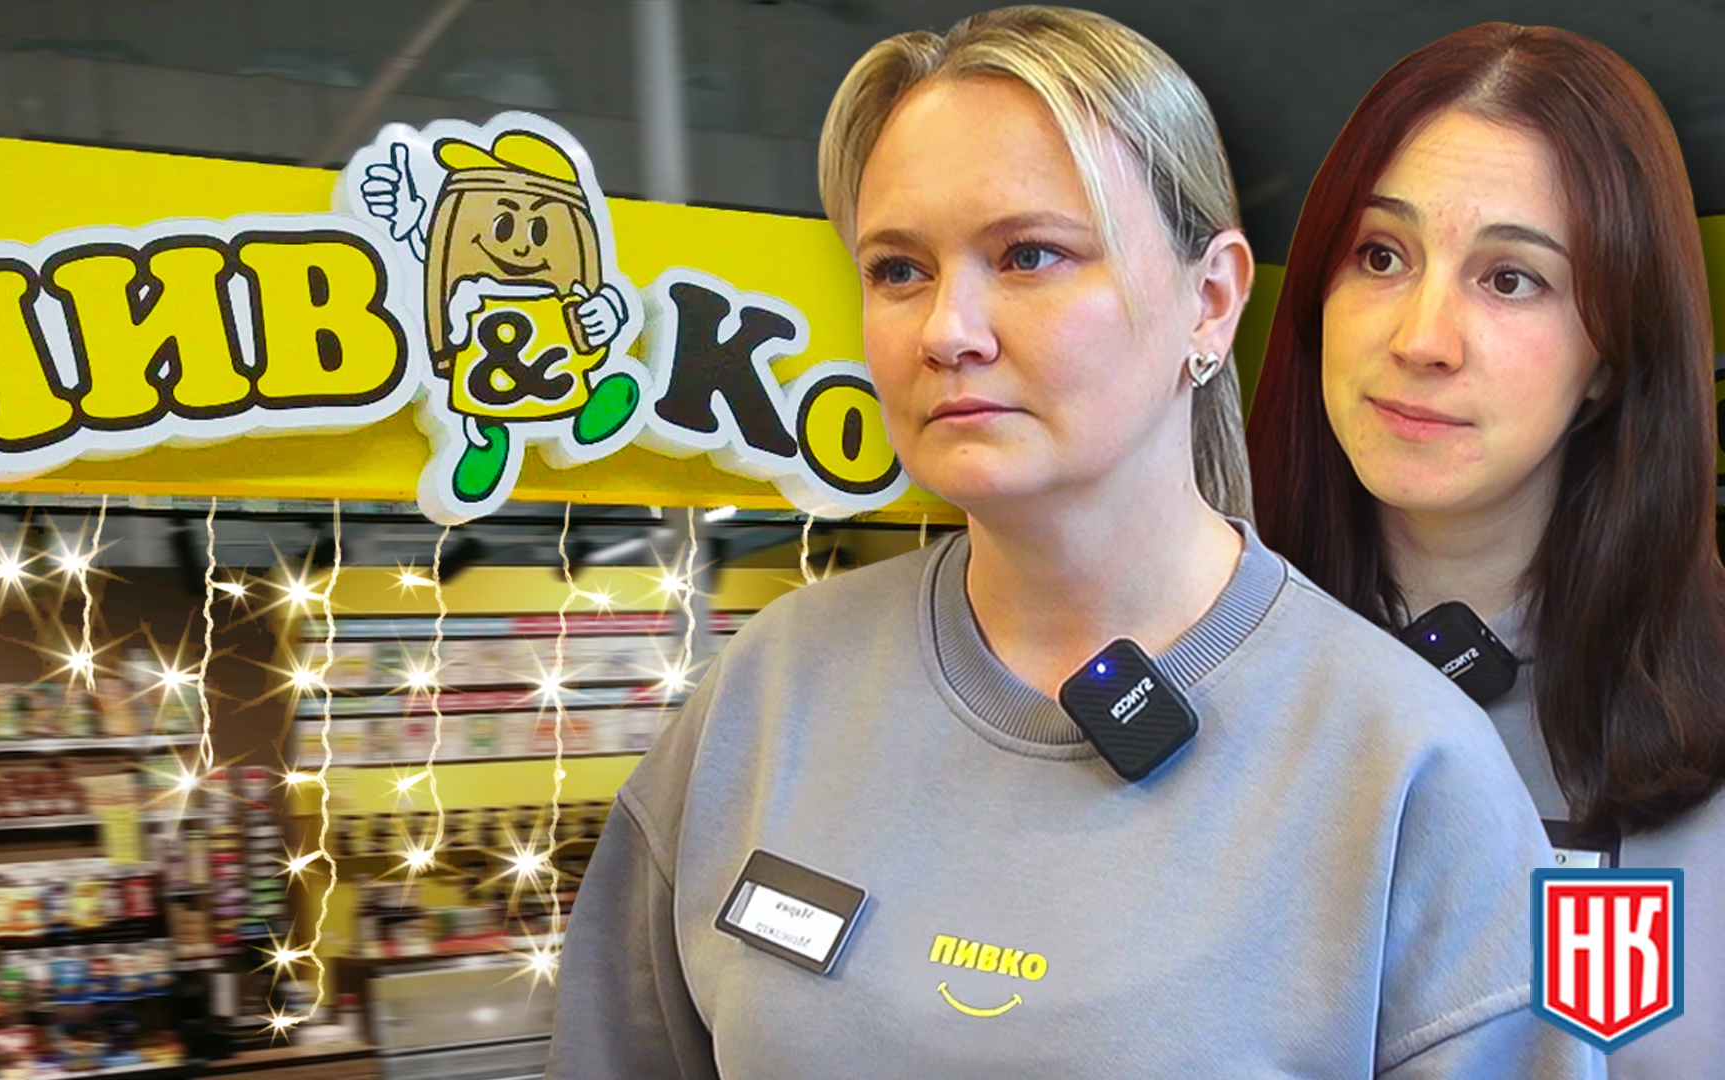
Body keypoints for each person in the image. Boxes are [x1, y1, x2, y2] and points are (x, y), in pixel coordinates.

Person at [549, 8, 1598, 1077]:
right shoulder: (769, 694)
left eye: (1029, 255)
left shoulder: (1408, 768)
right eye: (898, 270)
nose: (947, 330)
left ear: (1211, 300)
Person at [1246, 23, 1725, 1074]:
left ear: (1613, 353)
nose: (1421, 338)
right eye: (1380, 256)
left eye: (1510, 279)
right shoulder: (1184, 668)